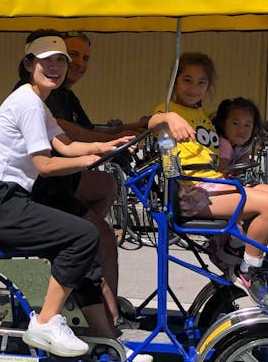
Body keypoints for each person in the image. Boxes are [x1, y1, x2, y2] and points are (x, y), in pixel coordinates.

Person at [0, 33, 152, 362]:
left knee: (86, 254)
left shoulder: (37, 101)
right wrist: (88, 161)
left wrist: (105, 147)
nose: (54, 67)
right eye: (46, 61)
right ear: (29, 64)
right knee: (84, 236)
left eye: (60, 61)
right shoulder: (27, 103)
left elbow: (65, 145)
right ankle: (44, 322)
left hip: (10, 200)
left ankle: (111, 345)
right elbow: (44, 164)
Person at [31, 30, 189, 331]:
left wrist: (131, 129)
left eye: (84, 58)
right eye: (72, 56)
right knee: (101, 235)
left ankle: (103, 296)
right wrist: (106, 144)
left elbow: (85, 130)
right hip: (42, 189)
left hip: (60, 183)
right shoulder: (37, 95)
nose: (78, 63)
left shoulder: (64, 93)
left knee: (106, 186)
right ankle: (110, 316)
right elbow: (68, 135)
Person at [148, 52, 268, 302]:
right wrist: (168, 117)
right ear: (175, 80)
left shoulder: (202, 115)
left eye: (201, 82)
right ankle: (249, 267)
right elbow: (154, 123)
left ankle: (235, 248)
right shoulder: (168, 111)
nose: (194, 88)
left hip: (212, 182)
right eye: (187, 80)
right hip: (190, 192)